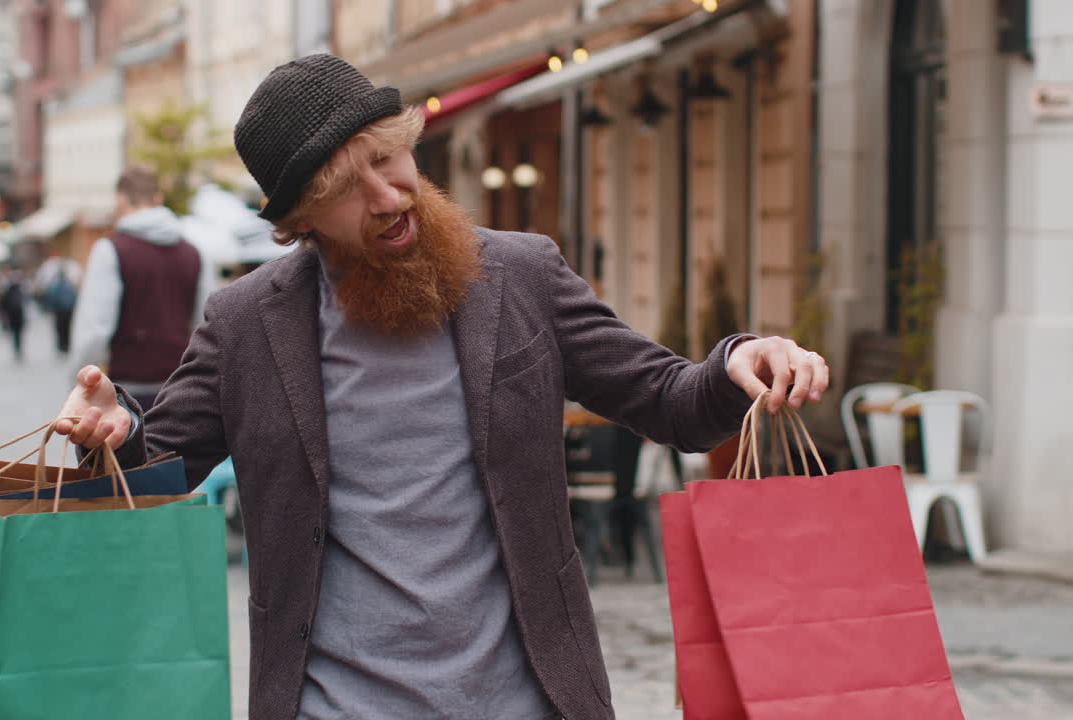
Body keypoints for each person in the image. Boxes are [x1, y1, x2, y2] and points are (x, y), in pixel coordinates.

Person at [55, 54, 830, 720]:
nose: (389, 195)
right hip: (332, 704)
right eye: (347, 185)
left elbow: (669, 402)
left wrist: (741, 362)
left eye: (387, 159)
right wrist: (111, 433)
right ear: (300, 219)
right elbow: (154, 472)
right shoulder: (245, 324)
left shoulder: (522, 275)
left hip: (526, 700)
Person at [69, 168, 214, 411]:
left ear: (121, 198)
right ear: (158, 198)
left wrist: (79, 383)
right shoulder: (195, 253)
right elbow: (205, 323)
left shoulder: (111, 249)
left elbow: (94, 330)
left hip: (127, 388)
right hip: (179, 385)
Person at [33, 251, 81, 356]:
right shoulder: (72, 267)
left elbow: (42, 284)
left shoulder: (50, 267)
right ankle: (65, 344)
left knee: (60, 324)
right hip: (67, 304)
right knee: (66, 324)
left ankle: (62, 345)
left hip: (60, 305)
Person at [0, 268, 28, 363]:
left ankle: (17, 349)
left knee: (16, 334)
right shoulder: (21, 290)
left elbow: (3, 304)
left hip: (13, 316)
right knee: (18, 334)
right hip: (18, 315)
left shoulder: (9, 290)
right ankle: (18, 350)